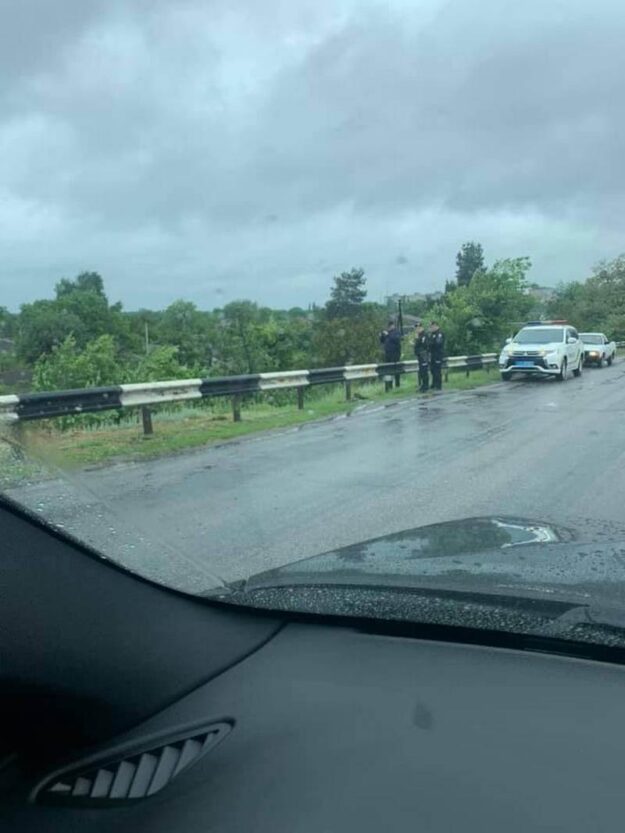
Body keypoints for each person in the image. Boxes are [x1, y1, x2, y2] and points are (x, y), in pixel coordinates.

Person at [413, 321, 430, 392]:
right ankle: (423, 385)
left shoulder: (424, 335)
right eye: (416, 328)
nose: (417, 329)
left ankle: (426, 386)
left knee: (424, 371)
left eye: (418, 328)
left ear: (422, 328)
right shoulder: (419, 336)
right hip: (420, 355)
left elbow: (424, 345)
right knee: (421, 371)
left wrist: (417, 340)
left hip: (424, 355)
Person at [429, 320, 445, 391]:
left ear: (436, 326)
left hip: (438, 354)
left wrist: (431, 343)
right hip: (433, 354)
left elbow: (438, 343)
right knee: (432, 369)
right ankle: (434, 383)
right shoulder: (432, 334)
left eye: (432, 326)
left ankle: (438, 385)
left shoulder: (439, 333)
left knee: (437, 370)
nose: (431, 328)